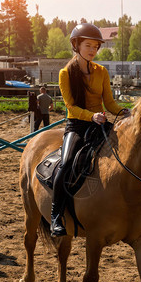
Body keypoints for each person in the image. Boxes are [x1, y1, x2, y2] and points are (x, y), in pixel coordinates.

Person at [50, 23, 131, 237]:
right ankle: (56, 215)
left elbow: (110, 103)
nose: (93, 50)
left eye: (96, 46)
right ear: (76, 45)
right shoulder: (66, 73)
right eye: (88, 45)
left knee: (131, 152)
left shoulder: (101, 71)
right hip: (77, 124)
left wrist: (125, 112)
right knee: (66, 164)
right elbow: (70, 107)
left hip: (100, 123)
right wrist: (91, 116)